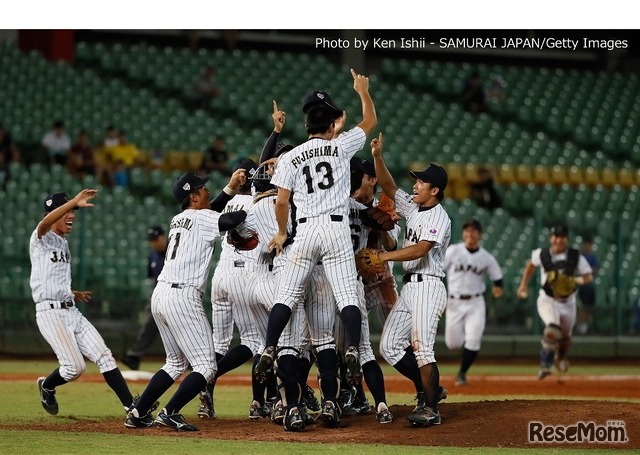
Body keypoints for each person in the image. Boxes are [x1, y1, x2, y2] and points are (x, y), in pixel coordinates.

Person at [253, 69, 378, 425]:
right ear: (331, 124)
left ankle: (268, 346)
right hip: (337, 230)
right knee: (347, 298)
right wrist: (362, 91)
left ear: (307, 124)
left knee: (287, 296)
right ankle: (352, 348)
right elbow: (370, 120)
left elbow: (281, 201)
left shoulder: (291, 158)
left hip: (304, 231)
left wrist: (281, 232)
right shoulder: (340, 146)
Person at [124, 169, 247, 432]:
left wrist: (230, 189)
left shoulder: (179, 218)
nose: (207, 189)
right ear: (193, 196)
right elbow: (231, 219)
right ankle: (170, 411)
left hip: (161, 295)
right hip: (182, 296)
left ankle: (138, 412)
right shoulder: (202, 218)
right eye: (202, 188)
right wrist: (253, 202)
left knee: (175, 363)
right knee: (206, 366)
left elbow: (210, 213)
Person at [31, 190, 136, 416]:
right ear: (53, 213)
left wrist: (72, 292)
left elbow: (52, 275)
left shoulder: (63, 243)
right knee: (75, 368)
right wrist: (72, 202)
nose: (71, 215)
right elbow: (44, 223)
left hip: (71, 310)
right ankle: (47, 385)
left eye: (73, 212)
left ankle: (132, 407)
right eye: (67, 211)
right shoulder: (40, 237)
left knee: (104, 355)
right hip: (50, 313)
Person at [372, 132, 451, 428]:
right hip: (411, 288)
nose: (415, 185)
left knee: (422, 348)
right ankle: (431, 390)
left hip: (429, 285)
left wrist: (383, 257)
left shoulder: (439, 217)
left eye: (421, 181)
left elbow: (421, 249)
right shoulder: (414, 207)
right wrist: (378, 156)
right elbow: (390, 188)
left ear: (436, 189)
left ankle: (431, 408)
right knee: (390, 345)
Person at [516, 223, 593, 379]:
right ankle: (545, 365)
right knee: (552, 328)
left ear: (567, 239)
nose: (558, 240)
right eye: (556, 236)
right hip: (547, 299)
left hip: (568, 302)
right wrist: (523, 285)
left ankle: (561, 356)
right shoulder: (541, 254)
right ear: (551, 238)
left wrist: (575, 281)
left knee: (565, 338)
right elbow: (530, 265)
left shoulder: (575, 256)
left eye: (562, 237)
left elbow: (588, 277)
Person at [443, 219, 504, 386]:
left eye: (473, 231)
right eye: (467, 231)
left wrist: (498, 289)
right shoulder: (453, 251)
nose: (469, 234)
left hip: (476, 302)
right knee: (453, 344)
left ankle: (462, 373)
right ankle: (464, 346)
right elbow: (439, 271)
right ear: (464, 234)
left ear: (480, 235)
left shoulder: (486, 257)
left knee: (474, 339)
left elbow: (498, 278)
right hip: (454, 302)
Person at [121, 226, 168, 371]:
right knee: (149, 324)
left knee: (180, 326)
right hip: (158, 293)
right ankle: (135, 356)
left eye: (156, 239)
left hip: (175, 293)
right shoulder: (152, 256)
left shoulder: (174, 251)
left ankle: (193, 358)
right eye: (151, 240)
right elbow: (151, 277)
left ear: (163, 237)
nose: (154, 243)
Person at [576, 236, 600, 335]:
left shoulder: (592, 257)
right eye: (586, 245)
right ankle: (581, 327)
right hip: (581, 286)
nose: (587, 247)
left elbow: (595, 270)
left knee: (589, 307)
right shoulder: (580, 257)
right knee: (582, 306)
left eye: (589, 245)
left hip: (590, 286)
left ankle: (587, 326)